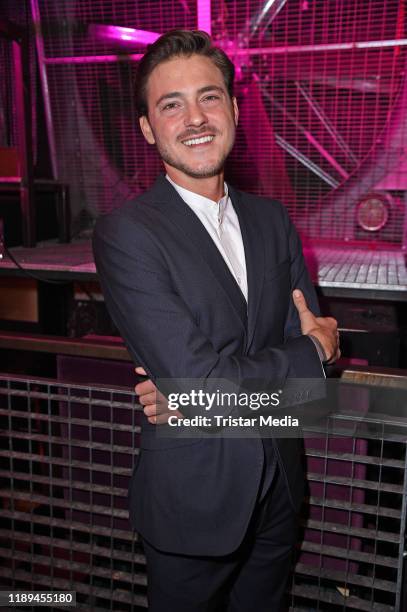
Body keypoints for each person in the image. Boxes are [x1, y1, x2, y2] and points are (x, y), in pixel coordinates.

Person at [92, 30, 340, 612]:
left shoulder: (272, 219)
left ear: (233, 108)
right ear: (149, 129)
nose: (195, 117)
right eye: (171, 104)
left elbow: (303, 396)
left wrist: (199, 395)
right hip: (195, 499)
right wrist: (310, 353)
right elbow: (214, 382)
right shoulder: (128, 233)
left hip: (280, 485)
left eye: (209, 97)